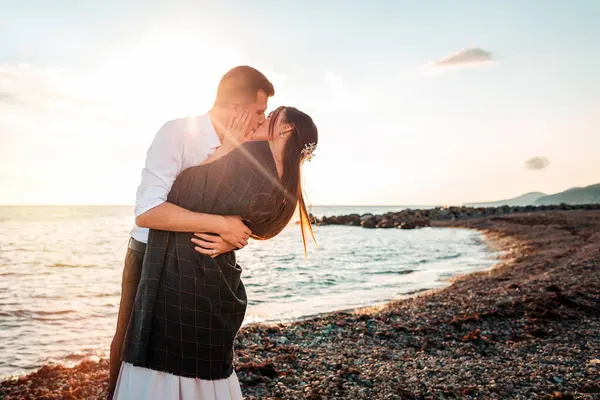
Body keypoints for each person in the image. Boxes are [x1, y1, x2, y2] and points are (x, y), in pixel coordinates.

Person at [113, 106, 318, 399]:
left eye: (272, 116)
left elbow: (188, 191)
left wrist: (234, 235)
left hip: (207, 270)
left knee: (182, 355)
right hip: (203, 263)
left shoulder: (260, 167)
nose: (263, 118)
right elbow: (251, 221)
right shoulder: (268, 165)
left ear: (287, 130)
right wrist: (228, 229)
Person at [107, 66, 276, 399]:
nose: (262, 120)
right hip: (150, 260)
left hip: (201, 262)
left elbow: (247, 213)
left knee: (198, 354)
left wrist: (233, 233)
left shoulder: (245, 146)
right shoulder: (177, 133)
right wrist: (220, 225)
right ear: (236, 108)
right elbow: (147, 211)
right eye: (259, 111)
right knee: (135, 350)